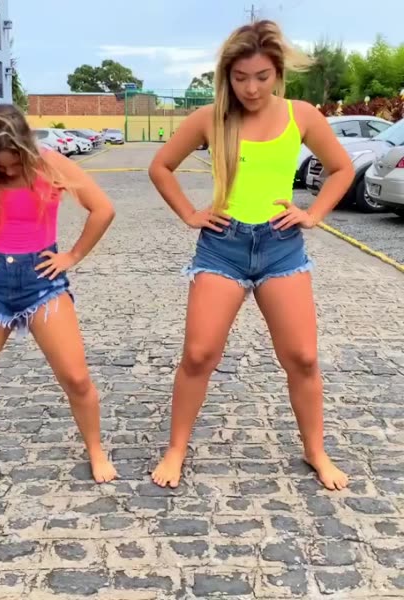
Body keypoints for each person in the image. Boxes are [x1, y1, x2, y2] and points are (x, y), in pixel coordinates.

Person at [148, 20, 354, 491]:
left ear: (277, 73)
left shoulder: (302, 115)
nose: (251, 88)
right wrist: (190, 213)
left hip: (282, 248)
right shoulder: (210, 118)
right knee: (199, 354)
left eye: (261, 76)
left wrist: (313, 214)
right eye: (240, 77)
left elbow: (341, 169)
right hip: (223, 246)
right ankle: (176, 448)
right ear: (227, 75)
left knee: (302, 357)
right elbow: (161, 166)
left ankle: (315, 451)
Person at [0, 104, 117, 487]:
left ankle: (96, 450)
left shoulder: (50, 162)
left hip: (43, 283)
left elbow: (103, 209)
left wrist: (72, 256)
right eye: (1, 165)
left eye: (15, 162)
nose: (9, 170)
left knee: (76, 378)